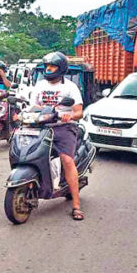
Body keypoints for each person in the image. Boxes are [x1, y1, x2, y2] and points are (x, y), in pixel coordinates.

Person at [28, 52, 85, 220]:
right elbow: (34, 106)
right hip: (41, 126)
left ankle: (76, 205)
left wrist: (70, 116)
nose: (48, 69)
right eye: (47, 66)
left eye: (52, 66)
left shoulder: (70, 87)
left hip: (64, 127)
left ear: (60, 69)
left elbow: (79, 112)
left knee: (67, 160)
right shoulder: (39, 85)